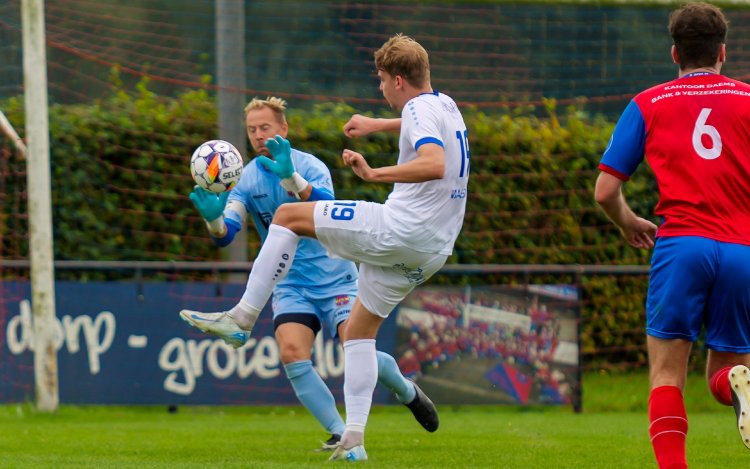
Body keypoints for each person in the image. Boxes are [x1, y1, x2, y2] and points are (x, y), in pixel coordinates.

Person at [182, 34, 469, 461]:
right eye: (252, 129)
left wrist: (372, 175)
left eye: (381, 81)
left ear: (396, 79)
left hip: (399, 230)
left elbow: (434, 163)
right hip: (432, 250)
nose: (380, 89)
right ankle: (352, 435)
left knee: (287, 218)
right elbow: (424, 128)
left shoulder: (410, 112)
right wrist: (375, 126)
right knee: (358, 335)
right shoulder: (444, 104)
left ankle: (241, 317)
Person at [594, 3, 750, 468]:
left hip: (681, 247)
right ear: (723, 51)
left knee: (666, 375)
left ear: (674, 53)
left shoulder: (648, 102)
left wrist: (629, 222)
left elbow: (605, 191)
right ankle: (739, 379)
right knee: (725, 373)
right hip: (742, 249)